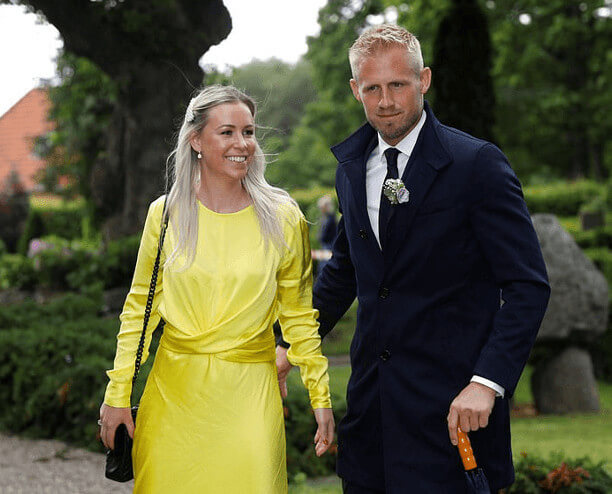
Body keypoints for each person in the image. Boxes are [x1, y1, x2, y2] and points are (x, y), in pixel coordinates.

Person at [276, 24, 550, 493]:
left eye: (397, 85)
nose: (385, 101)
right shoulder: (350, 168)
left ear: (423, 80)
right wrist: (287, 343)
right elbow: (345, 270)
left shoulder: (477, 165)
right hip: (372, 415)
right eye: (372, 88)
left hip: (454, 411)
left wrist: (487, 382)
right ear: (354, 89)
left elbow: (528, 286)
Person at [99, 85, 334, 493]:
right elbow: (140, 308)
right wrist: (117, 393)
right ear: (196, 141)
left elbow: (298, 314)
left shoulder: (283, 217)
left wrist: (320, 395)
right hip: (173, 398)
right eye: (227, 132)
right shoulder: (166, 214)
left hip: (250, 398)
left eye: (248, 131)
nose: (242, 144)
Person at [316, 195, 337, 275]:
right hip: (325, 246)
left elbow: (324, 235)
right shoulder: (325, 218)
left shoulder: (330, 218)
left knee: (325, 269)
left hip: (329, 247)